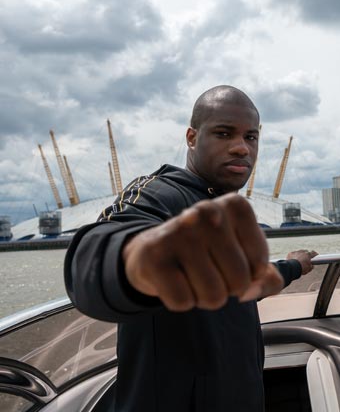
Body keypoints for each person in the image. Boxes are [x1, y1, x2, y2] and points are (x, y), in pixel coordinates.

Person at [64, 85, 318, 411]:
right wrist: (142, 262)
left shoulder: (224, 210)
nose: (242, 148)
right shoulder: (160, 194)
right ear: (192, 137)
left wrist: (294, 266)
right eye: (224, 133)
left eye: (250, 137)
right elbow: (95, 258)